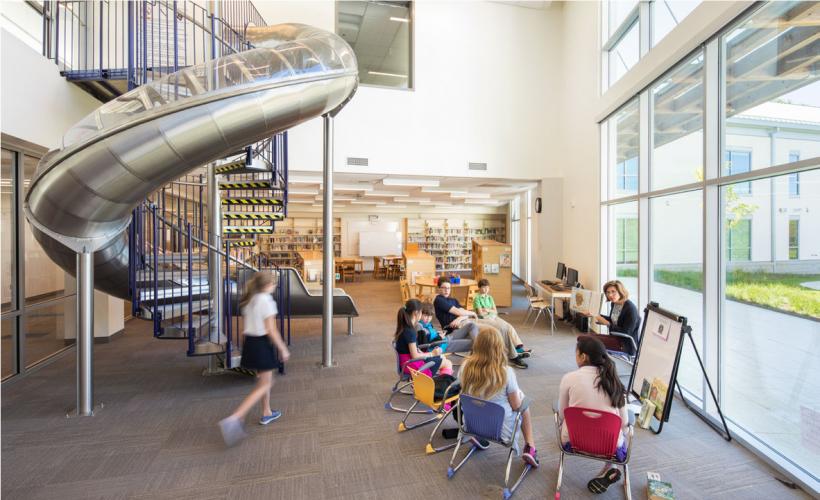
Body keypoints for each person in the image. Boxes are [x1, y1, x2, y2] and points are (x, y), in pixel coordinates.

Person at [219, 272, 290, 447]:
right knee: (265, 384)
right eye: (273, 283)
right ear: (267, 285)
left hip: (250, 342)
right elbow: (271, 330)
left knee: (264, 380)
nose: (275, 286)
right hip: (261, 343)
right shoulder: (267, 301)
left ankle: (267, 412)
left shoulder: (250, 300)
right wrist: (282, 348)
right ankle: (236, 417)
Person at [558, 335, 629, 494]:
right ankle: (611, 465)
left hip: (573, 442)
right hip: (610, 449)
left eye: (576, 353)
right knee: (624, 430)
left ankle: (609, 468)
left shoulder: (569, 378)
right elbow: (624, 422)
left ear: (583, 356)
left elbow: (562, 415)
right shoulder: (615, 382)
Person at [459, 329, 539, 467]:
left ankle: (478, 435)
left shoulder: (465, 366)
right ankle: (530, 446)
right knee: (522, 399)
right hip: (500, 430)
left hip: (471, 424)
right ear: (499, 347)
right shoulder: (505, 372)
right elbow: (516, 406)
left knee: (480, 402)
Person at [434, 276, 528, 368]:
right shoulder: (439, 300)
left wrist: (460, 317)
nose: (447, 290)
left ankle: (514, 351)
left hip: (466, 321)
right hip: (458, 327)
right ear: (438, 288)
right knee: (492, 330)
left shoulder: (453, 300)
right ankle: (513, 356)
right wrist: (469, 313)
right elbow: (459, 312)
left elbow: (463, 313)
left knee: (504, 326)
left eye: (448, 288)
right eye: (444, 288)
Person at [472, 278, 532, 358]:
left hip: (494, 316)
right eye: (484, 287)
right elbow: (480, 313)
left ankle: (519, 347)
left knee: (509, 326)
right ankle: (514, 351)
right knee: (503, 328)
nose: (486, 289)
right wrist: (490, 311)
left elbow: (495, 311)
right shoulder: (477, 298)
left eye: (487, 287)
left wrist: (486, 309)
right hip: (484, 319)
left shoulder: (490, 298)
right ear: (479, 288)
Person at [395, 299, 454, 378]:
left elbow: (414, 350)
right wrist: (432, 354)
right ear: (416, 313)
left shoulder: (406, 327)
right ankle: (440, 386)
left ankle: (437, 384)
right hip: (411, 365)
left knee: (442, 358)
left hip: (407, 362)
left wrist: (429, 354)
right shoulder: (410, 331)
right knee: (447, 363)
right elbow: (415, 355)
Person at [593, 280, 640, 354]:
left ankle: (600, 364)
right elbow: (613, 320)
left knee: (587, 341)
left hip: (625, 344)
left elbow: (626, 332)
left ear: (620, 291)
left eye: (613, 291)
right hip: (615, 338)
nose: (610, 295)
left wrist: (608, 324)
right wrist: (594, 314)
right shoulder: (614, 304)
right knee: (586, 339)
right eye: (608, 292)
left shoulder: (630, 308)